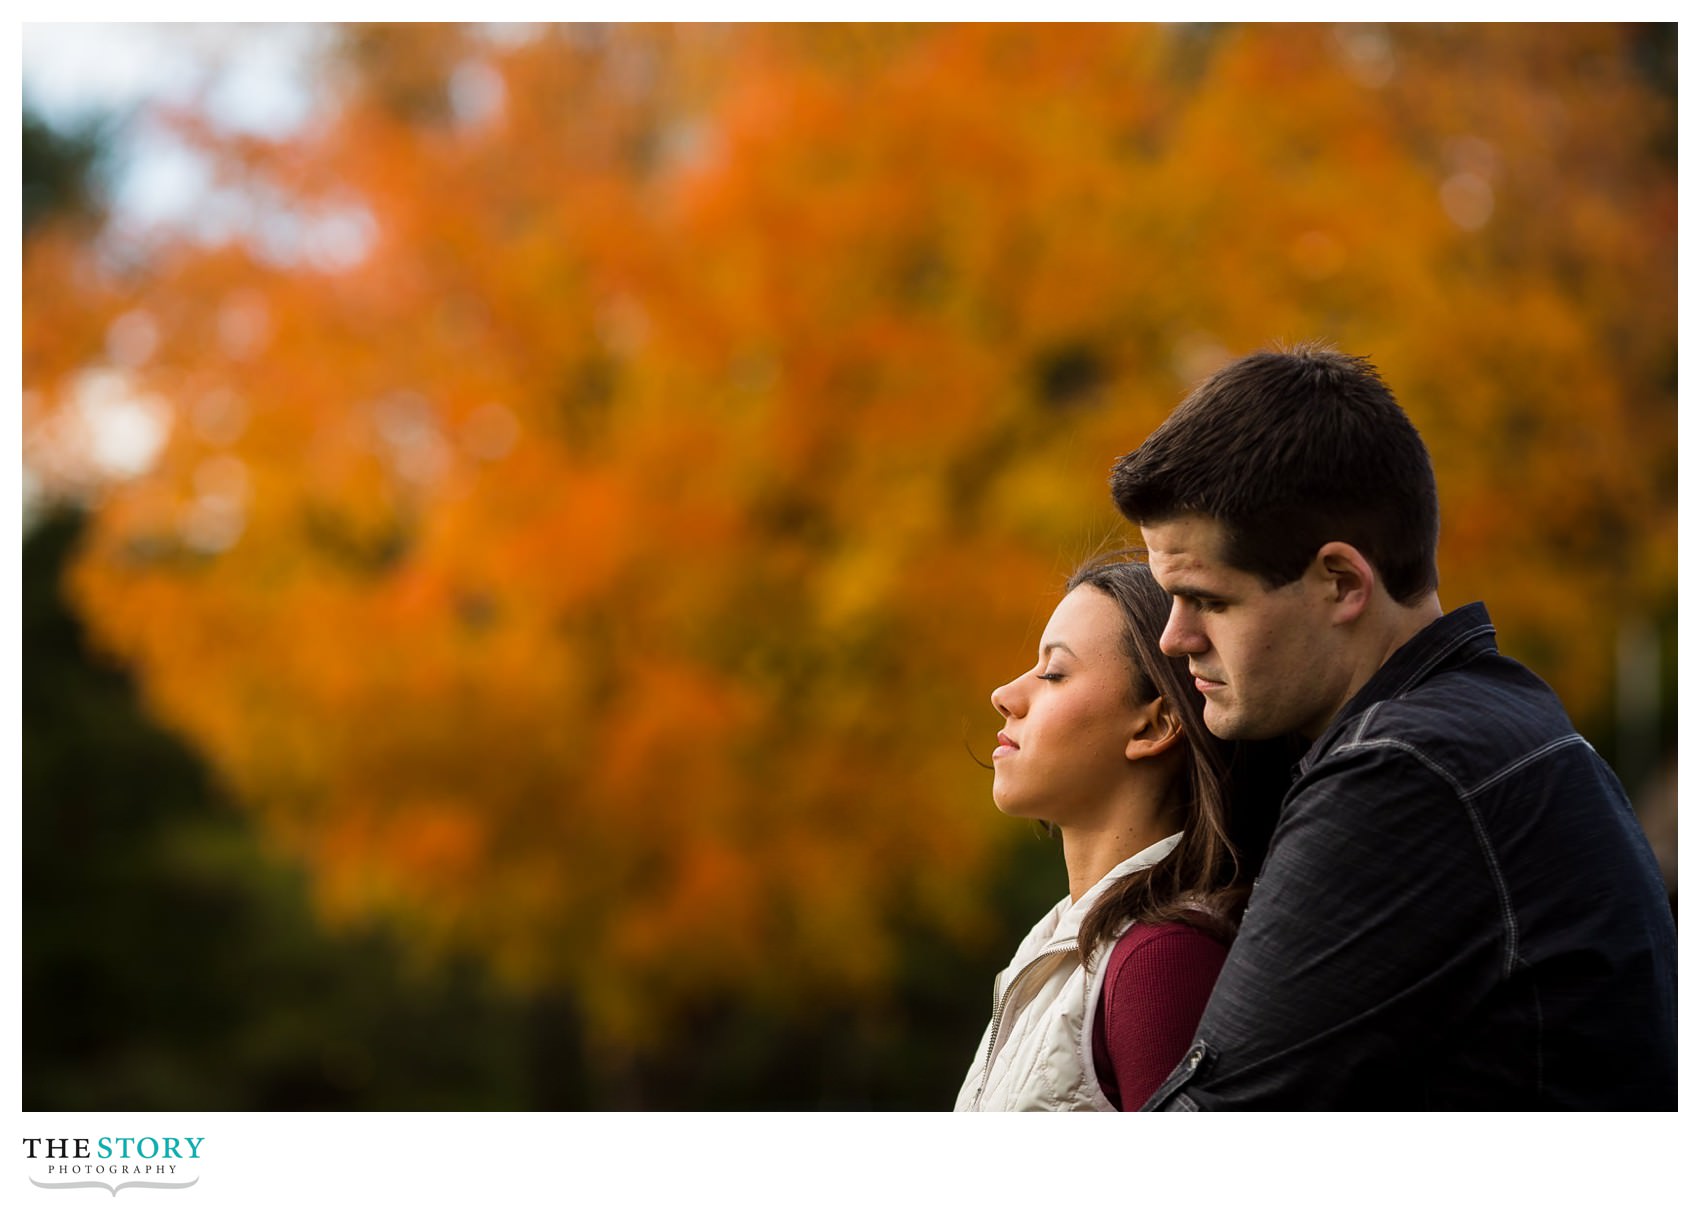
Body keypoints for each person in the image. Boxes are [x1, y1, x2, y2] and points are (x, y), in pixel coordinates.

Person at [1109, 343, 1678, 1109]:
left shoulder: (1408, 770)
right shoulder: (1492, 719)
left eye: (1208, 599)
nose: (1174, 639)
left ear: (1341, 582)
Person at [954, 555, 1284, 1111]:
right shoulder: (1052, 947)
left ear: (1155, 725)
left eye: (1054, 673)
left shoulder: (1163, 962)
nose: (1005, 695)